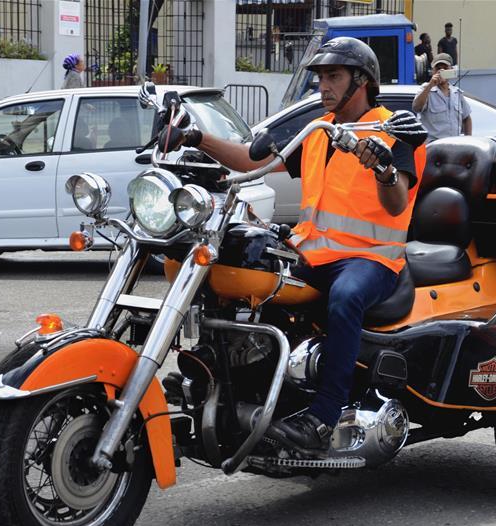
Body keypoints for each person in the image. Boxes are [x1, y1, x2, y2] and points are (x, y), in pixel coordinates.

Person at [159, 38, 426, 457]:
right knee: (230, 271)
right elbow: (250, 161)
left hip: (368, 259)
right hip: (309, 254)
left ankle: (322, 417)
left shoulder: (393, 130)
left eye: (334, 76)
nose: (324, 85)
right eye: (320, 77)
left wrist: (382, 167)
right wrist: (193, 136)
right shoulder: (320, 133)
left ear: (362, 81)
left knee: (345, 298)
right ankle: (215, 375)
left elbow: (397, 202)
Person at [412, 53, 471, 141]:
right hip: (433, 148)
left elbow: (467, 118)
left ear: (451, 70)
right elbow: (416, 108)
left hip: (455, 147)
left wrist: (468, 140)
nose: (441, 71)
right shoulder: (426, 89)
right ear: (433, 71)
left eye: (445, 68)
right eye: (438, 68)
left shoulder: (456, 93)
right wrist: (430, 85)